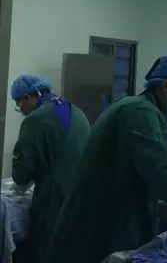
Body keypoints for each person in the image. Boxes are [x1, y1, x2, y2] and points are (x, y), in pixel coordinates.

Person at [47, 56, 167, 263]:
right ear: (166, 86)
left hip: (108, 218)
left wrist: (158, 207)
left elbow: (129, 175)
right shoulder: (140, 112)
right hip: (98, 230)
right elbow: (164, 177)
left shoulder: (138, 110)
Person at [10, 75, 90, 263]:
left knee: (46, 252)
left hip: (55, 201)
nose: (20, 109)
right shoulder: (76, 111)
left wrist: (19, 180)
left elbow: (21, 172)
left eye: (18, 103)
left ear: (27, 97)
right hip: (82, 198)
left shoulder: (36, 119)